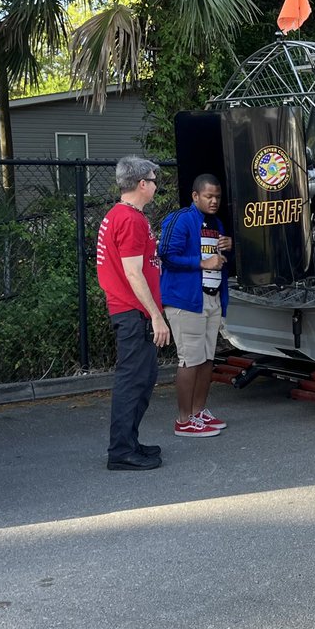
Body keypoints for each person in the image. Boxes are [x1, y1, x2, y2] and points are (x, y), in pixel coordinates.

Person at [96, 156, 171, 471]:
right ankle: (121, 451)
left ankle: (129, 441)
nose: (155, 185)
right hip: (133, 312)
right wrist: (155, 315)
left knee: (144, 377)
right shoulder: (129, 220)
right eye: (153, 180)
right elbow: (133, 273)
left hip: (131, 311)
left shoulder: (123, 215)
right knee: (133, 381)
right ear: (142, 184)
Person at [159, 173, 233, 438]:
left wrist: (229, 247)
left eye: (218, 197)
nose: (214, 201)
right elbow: (166, 254)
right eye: (208, 196)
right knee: (190, 359)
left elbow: (219, 261)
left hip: (211, 297)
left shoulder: (216, 223)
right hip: (186, 299)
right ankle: (183, 420)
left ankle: (198, 412)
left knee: (206, 358)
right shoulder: (181, 219)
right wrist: (202, 263)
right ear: (195, 196)